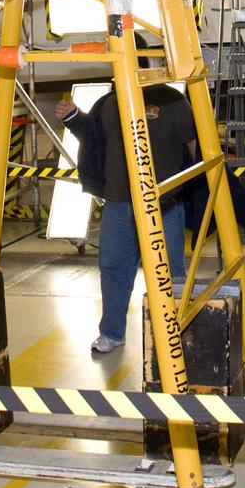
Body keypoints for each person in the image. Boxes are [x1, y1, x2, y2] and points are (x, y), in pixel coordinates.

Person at [56, 79, 197, 355]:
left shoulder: (171, 100)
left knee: (169, 272)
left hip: (164, 204)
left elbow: (194, 145)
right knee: (113, 270)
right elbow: (94, 138)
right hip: (118, 203)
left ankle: (171, 333)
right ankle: (111, 333)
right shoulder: (110, 102)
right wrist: (73, 117)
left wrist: (201, 191)